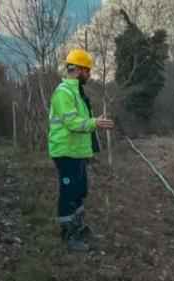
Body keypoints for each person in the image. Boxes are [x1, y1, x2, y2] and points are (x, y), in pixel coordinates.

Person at [48, 48, 113, 252]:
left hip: (77, 152)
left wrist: (94, 125)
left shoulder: (77, 92)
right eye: (88, 70)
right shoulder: (64, 93)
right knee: (68, 193)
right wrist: (96, 123)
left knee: (79, 191)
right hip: (65, 152)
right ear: (78, 70)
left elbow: (80, 122)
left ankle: (78, 228)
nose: (89, 74)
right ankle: (68, 235)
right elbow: (72, 123)